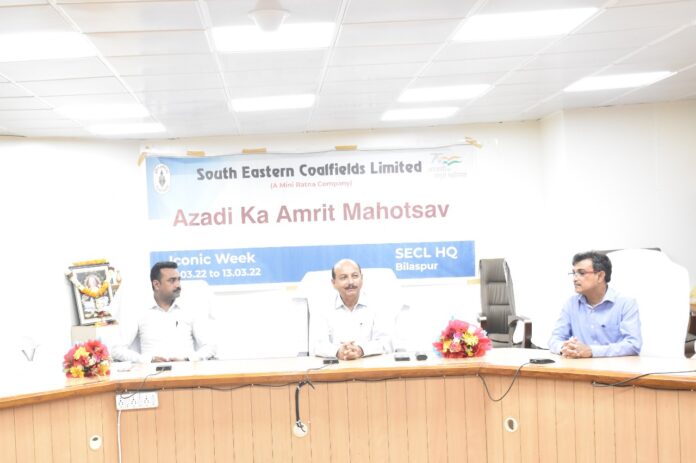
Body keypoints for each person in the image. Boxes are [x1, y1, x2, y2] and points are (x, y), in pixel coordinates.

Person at [112, 261, 216, 363]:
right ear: (156, 284)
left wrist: (188, 359)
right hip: (150, 371)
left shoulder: (190, 309)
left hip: (186, 369)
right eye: (172, 281)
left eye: (179, 280)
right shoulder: (139, 312)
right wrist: (147, 359)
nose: (178, 285)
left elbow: (210, 347)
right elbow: (117, 350)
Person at [548, 251, 642, 358]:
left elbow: (633, 345)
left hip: (615, 366)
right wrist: (564, 348)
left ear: (600, 276)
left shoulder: (626, 303)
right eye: (574, 273)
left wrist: (592, 351)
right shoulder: (571, 304)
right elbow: (555, 339)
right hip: (580, 366)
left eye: (581, 273)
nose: (574, 279)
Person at [313, 258, 393, 360]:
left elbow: (386, 342)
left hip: (371, 366)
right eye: (343, 277)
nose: (351, 282)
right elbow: (317, 345)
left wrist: (361, 350)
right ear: (333, 283)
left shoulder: (378, 305)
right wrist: (338, 352)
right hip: (336, 367)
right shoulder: (323, 308)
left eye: (355, 276)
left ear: (361, 278)